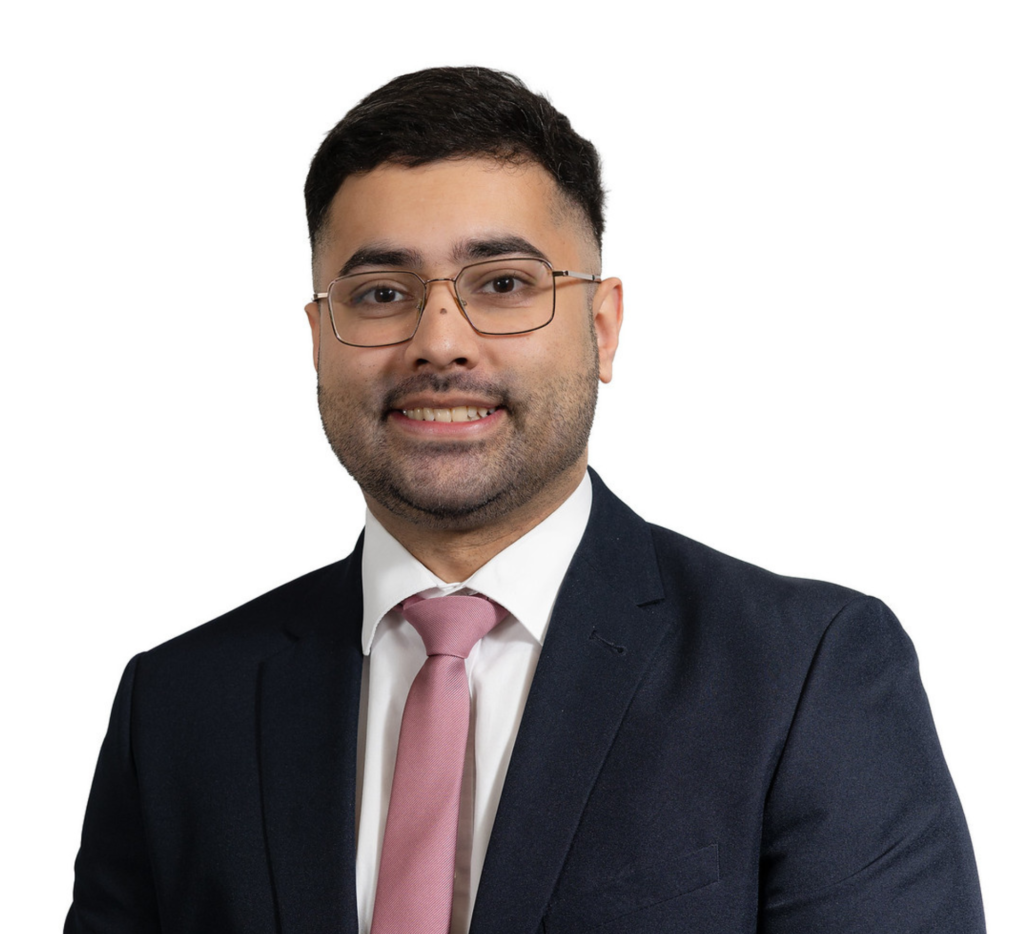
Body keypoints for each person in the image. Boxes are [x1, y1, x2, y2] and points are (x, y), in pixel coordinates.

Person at [65, 66, 986, 934]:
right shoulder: (178, 706)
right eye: (381, 293)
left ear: (602, 327)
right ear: (318, 340)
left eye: (503, 285)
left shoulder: (805, 675)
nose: (439, 341)